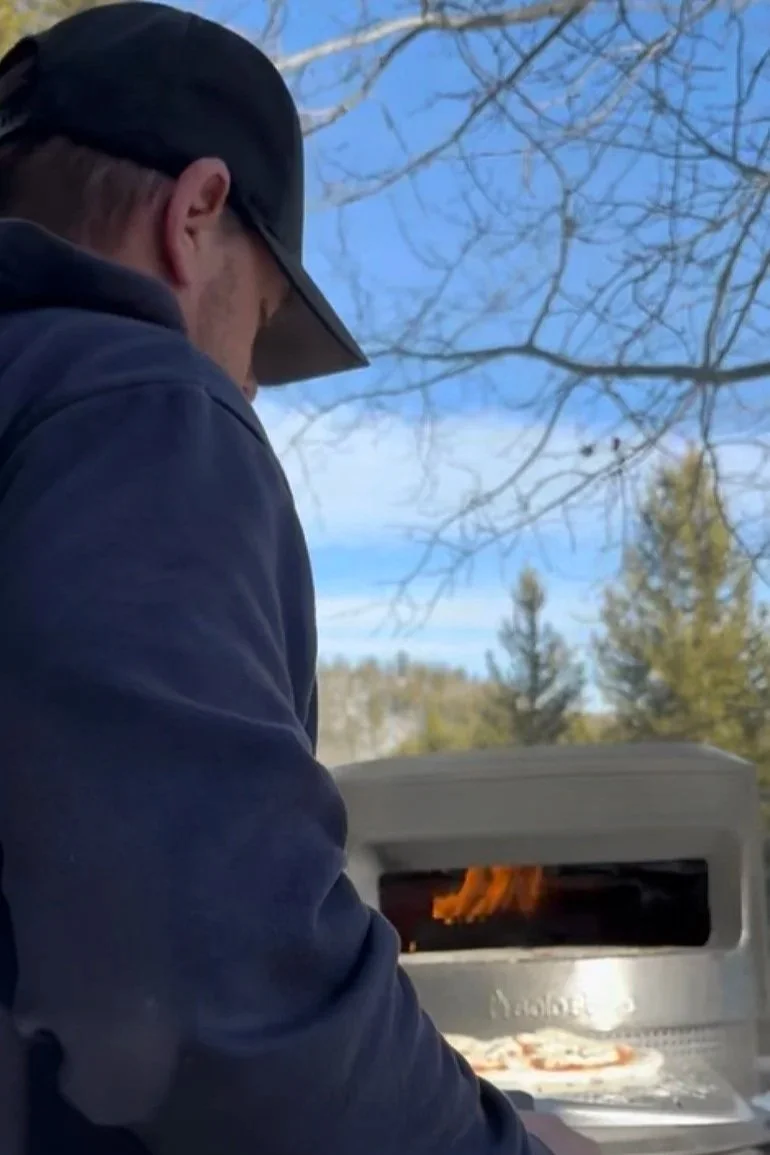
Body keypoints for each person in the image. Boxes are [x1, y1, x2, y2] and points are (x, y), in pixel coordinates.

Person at [0, 5, 602, 1155]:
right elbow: (197, 992)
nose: (252, 388)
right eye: (262, 321)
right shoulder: (132, 398)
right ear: (194, 215)